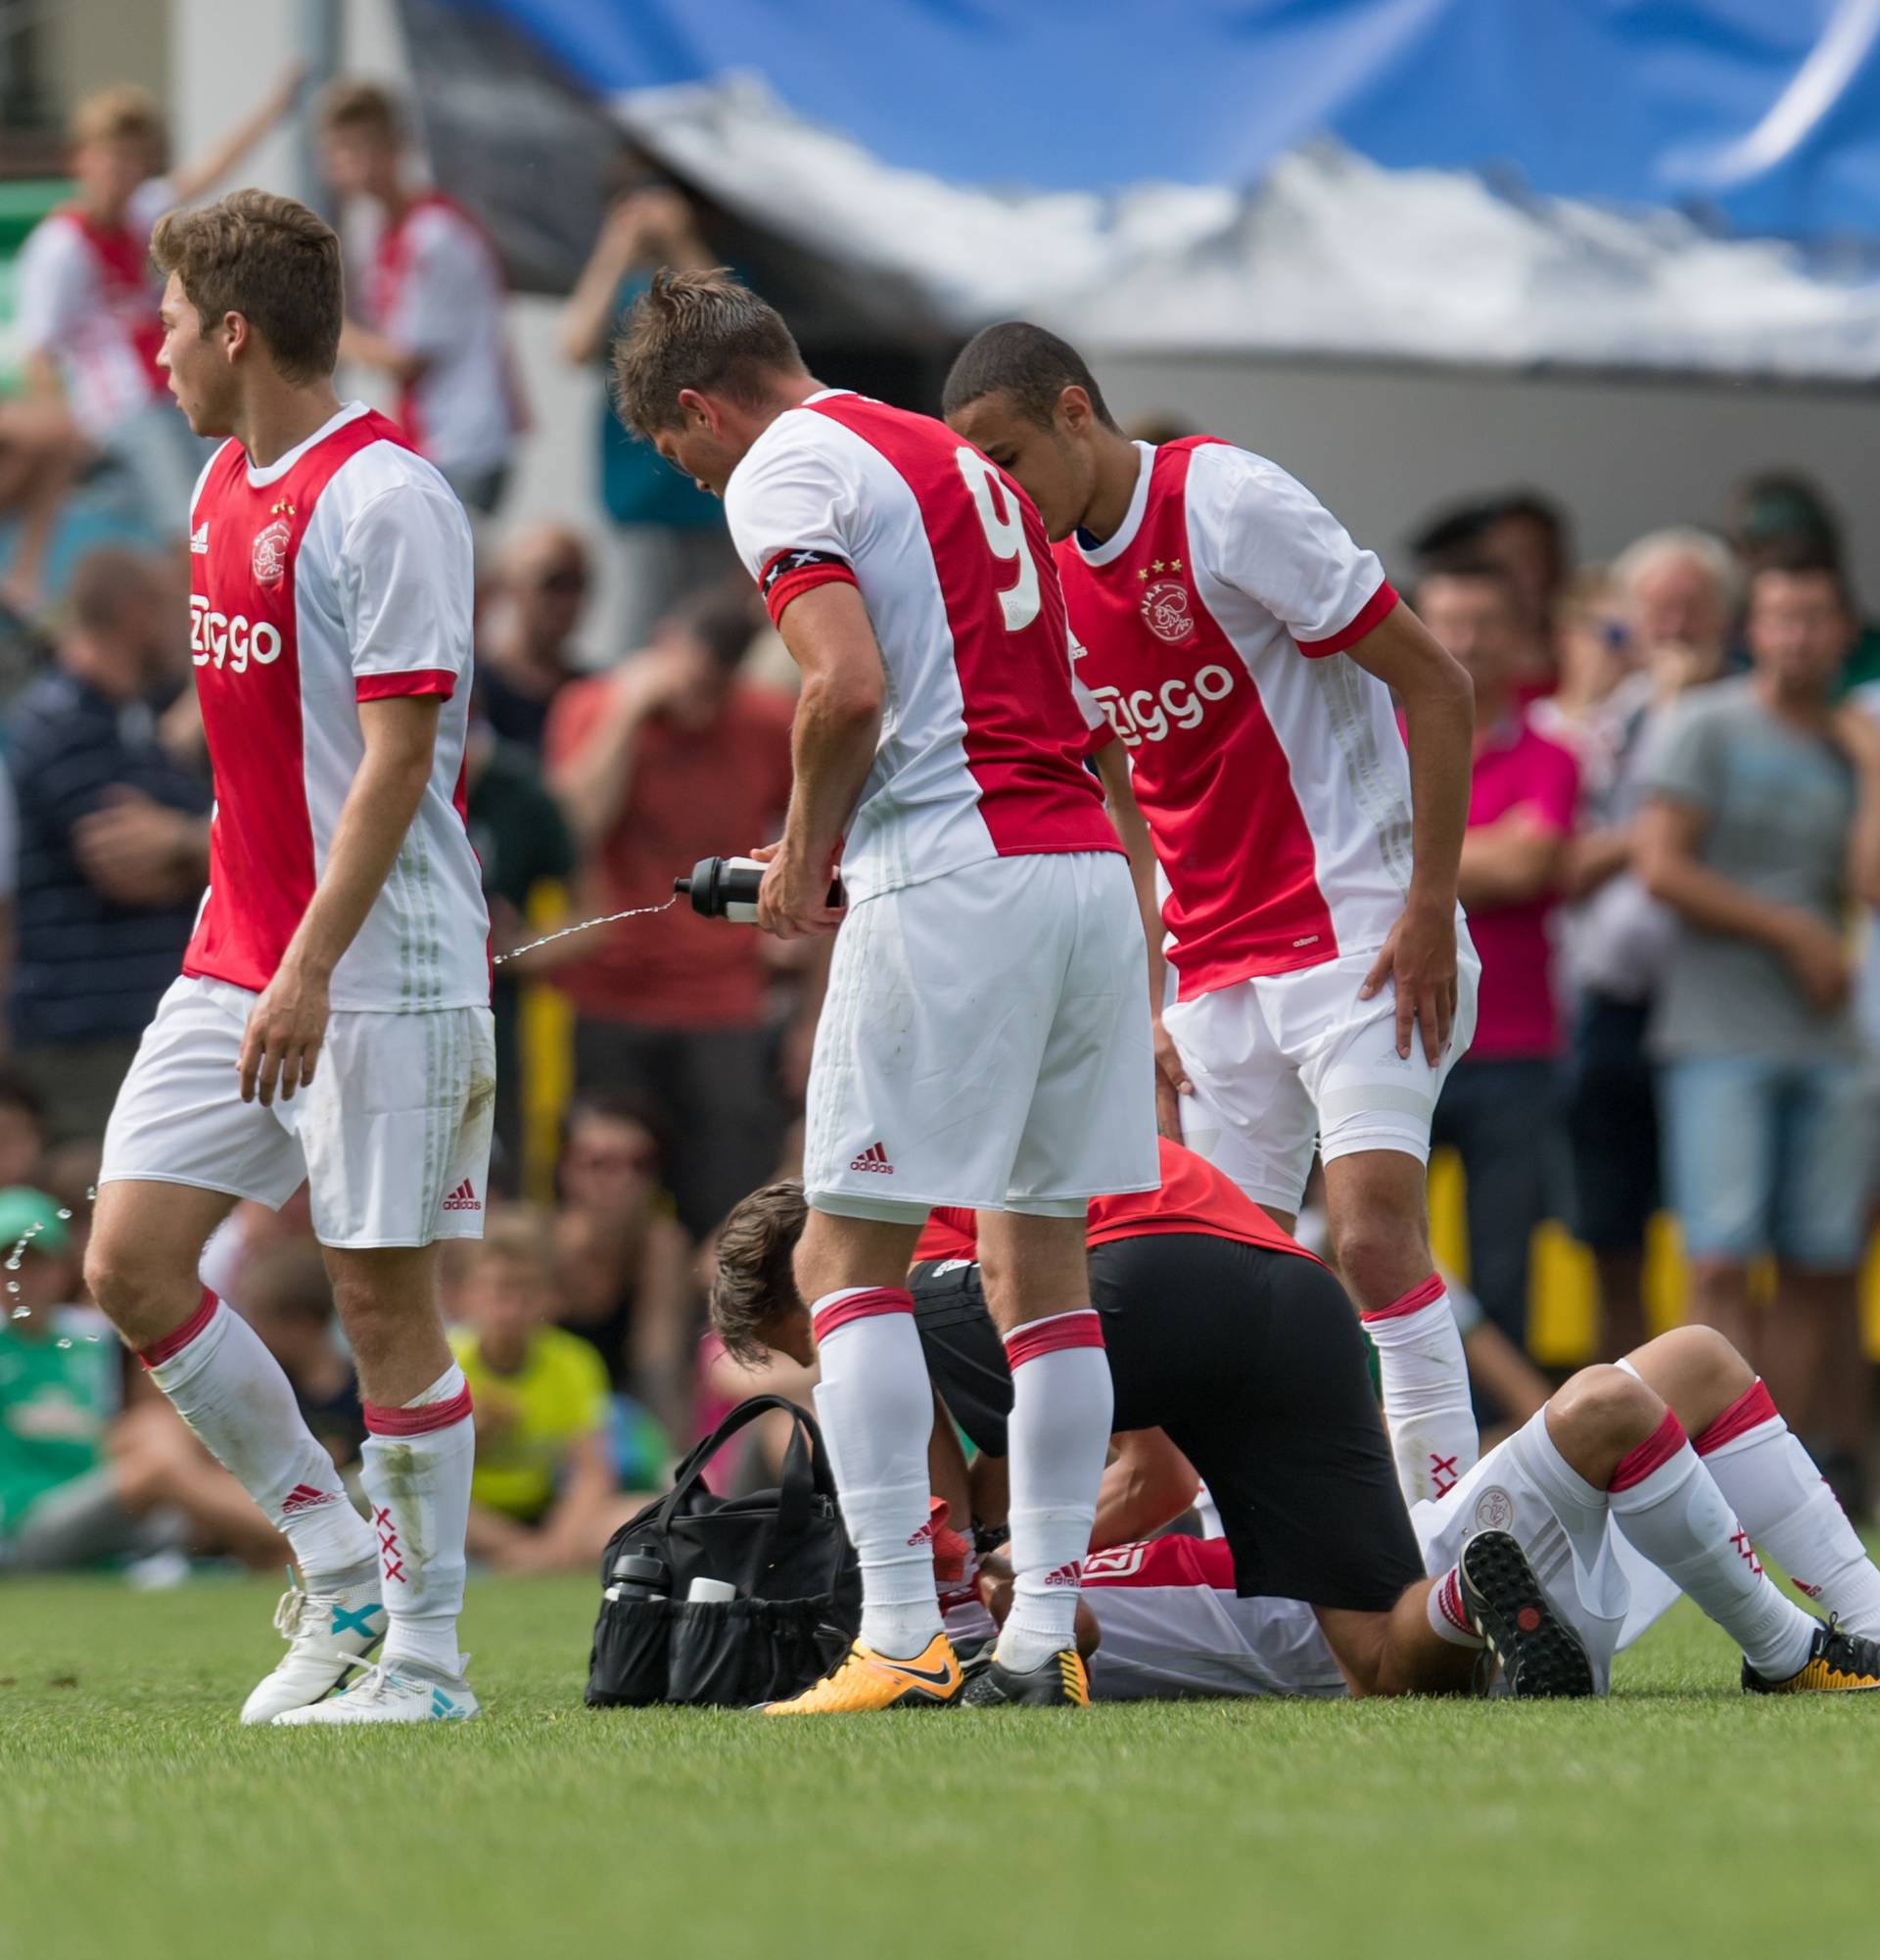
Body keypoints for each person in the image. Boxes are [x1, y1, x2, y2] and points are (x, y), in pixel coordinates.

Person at [615, 270, 1155, 1710]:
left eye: (686, 457)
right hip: (1082, 874)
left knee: (838, 1261)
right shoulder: (936, 445)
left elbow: (843, 687)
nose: (702, 479)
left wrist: (801, 854)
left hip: (957, 879)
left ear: (699, 407)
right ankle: (1045, 1637)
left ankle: (908, 1631)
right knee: (1043, 1278)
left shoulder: (784, 466)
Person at [81, 190, 493, 1727]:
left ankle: (433, 1666)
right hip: (236, 953)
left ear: (235, 331)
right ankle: (338, 1571)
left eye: (176, 321)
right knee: (127, 1258)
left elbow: (398, 764)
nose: (162, 348)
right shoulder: (211, 489)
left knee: (384, 1308)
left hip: (374, 966)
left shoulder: (389, 499)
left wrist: (312, 963)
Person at [942, 325, 1477, 1498]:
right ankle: (1278, 1569)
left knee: (1375, 1238)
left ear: (1076, 412)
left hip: (1360, 935)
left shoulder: (1226, 498)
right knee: (1230, 1295)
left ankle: (1449, 1546)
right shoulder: (1048, 581)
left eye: (1013, 457)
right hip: (1212, 979)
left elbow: (1437, 681)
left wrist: (1430, 903)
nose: (1008, 495)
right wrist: (1151, 995)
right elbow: (1124, 792)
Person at [710, 1149, 1547, 1699]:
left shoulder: (880, 1229)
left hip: (1145, 1271)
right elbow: (1157, 1476)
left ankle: (943, 1630)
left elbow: (999, 1475)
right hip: (1295, 1299)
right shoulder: (963, 1204)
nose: (844, 1374)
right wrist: (1019, 1557)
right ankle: (1460, 1602)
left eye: (820, 1343)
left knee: (878, 1323)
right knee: (1379, 1663)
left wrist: (980, 1573)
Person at [981, 1324, 1880, 1700]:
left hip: (1410, 1543)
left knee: (1702, 1358)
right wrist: (1010, 1563)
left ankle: (1869, 1618)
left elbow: (1162, 1471)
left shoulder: (1001, 1558)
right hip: (1390, 1600)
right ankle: (1788, 1655)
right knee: (1607, 1403)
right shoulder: (992, 1616)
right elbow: (1084, 1622)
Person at [1637, 546, 1880, 1508]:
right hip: (1717, 1033)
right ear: (1752, 630)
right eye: (1778, 618)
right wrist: (1786, 927)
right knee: (1722, 1255)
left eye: (1813, 619)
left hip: (1828, 1041)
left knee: (1822, 1263)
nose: (1795, 637)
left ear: (1844, 634)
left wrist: (1867, 761)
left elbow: (1867, 886)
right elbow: (1660, 867)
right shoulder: (1705, 724)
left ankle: (1775, 1474)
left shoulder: (1850, 744)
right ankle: (1693, 1474)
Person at [540, 589, 798, 1244]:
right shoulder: (592, 706)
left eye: (715, 691)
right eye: (690, 684)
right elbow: (573, 826)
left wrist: (812, 1008)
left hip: (720, 1002)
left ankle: (709, 1343)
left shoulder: (765, 724)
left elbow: (822, 852)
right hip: (611, 993)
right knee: (596, 1208)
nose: (697, 708)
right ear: (664, 645)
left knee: (725, 1211)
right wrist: (628, 713)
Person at [1554, 532, 1738, 1356]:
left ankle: (1719, 1427)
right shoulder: (1600, 726)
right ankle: (1619, 1432)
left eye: (1693, 607)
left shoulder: (1747, 717)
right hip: (1609, 1010)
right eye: (1658, 606)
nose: (1674, 622)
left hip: (1719, 1012)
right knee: (1613, 1238)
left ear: (1728, 619)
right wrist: (1654, 833)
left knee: (1722, 1243)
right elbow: (1567, 861)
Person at [14, 75, 301, 541]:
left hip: (170, 392)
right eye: (111, 158)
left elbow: (209, 172)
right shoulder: (61, 246)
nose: (121, 173)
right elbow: (39, 352)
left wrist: (271, 110)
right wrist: (68, 434)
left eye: (132, 160)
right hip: (118, 409)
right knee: (190, 522)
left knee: (237, 474)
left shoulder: (140, 214)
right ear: (82, 160)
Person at [1418, 560, 1579, 1358]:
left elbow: (1531, 864)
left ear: (1520, 641)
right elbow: (1505, 862)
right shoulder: (1384, 739)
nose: (1466, 641)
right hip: (1405, 1029)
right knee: (1378, 1252)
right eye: (1448, 621)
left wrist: (1417, 861)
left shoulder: (1554, 753)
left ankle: (1506, 1447)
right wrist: (1490, 855)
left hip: (1517, 1046)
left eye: (1484, 624)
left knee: (1506, 1261)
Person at [6, 545, 212, 1140]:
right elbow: (129, 873)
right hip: (88, 1037)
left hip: (128, 1025)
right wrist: (198, 853)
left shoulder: (128, 721)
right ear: (135, 615)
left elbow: (172, 849)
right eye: (174, 613)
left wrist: (179, 842)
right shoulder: (66, 724)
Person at [317, 80, 522, 517]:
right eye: (337, 153)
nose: (345, 167)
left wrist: (316, 327)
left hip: (463, 441)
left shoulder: (435, 235)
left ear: (396, 150)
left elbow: (403, 358)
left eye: (358, 150)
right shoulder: (376, 231)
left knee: (456, 580)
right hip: (428, 439)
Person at [558, 165, 736, 649]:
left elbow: (737, 336)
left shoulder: (709, 273)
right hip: (635, 497)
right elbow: (574, 346)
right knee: (634, 642)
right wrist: (615, 250)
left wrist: (680, 244)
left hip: (709, 497)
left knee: (709, 643)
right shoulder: (622, 282)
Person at [447, 1204, 642, 1572]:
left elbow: (592, 1474)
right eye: (498, 1290)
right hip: (468, 1520)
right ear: (468, 1294)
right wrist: (521, 1548)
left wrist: (555, 1545)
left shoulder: (574, 1362)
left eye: (526, 1291)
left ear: (551, 1297)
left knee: (645, 1515)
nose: (511, 1308)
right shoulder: (444, 1363)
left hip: (546, 1516)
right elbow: (425, 1482)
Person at [475, 522, 593, 753]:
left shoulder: (593, 691)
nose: (568, 600)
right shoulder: (475, 689)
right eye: (554, 583)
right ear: (512, 587)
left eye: (578, 584)